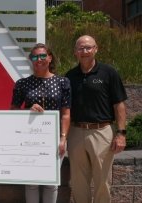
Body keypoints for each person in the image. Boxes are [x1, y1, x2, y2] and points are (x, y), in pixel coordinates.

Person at [65, 35, 127, 203]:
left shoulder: (109, 73)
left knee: (102, 181)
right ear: (75, 52)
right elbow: (65, 109)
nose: (84, 51)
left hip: (102, 132)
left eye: (88, 47)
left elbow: (119, 105)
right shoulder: (70, 76)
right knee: (78, 182)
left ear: (96, 49)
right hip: (76, 132)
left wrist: (121, 133)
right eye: (80, 48)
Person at [11, 43, 71, 203]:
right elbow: (13, 111)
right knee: (31, 182)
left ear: (50, 58)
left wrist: (63, 138)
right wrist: (27, 110)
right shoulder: (22, 84)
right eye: (35, 57)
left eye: (43, 56)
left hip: (55, 139)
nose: (39, 59)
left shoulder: (62, 82)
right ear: (31, 60)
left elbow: (66, 113)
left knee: (51, 183)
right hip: (30, 139)